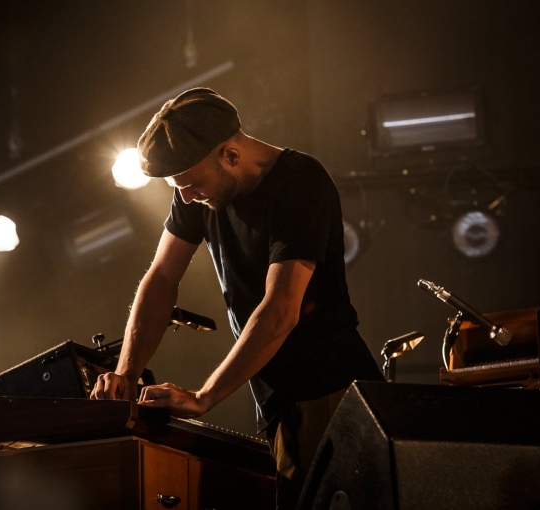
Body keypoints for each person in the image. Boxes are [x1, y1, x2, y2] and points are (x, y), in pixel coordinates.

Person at [90, 87, 384, 509]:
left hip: (331, 392)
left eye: (191, 184)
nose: (186, 197)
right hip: (281, 398)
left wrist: (203, 397)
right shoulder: (195, 191)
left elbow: (281, 309)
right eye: (180, 188)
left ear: (230, 155)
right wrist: (126, 374)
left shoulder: (300, 183)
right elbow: (160, 278)